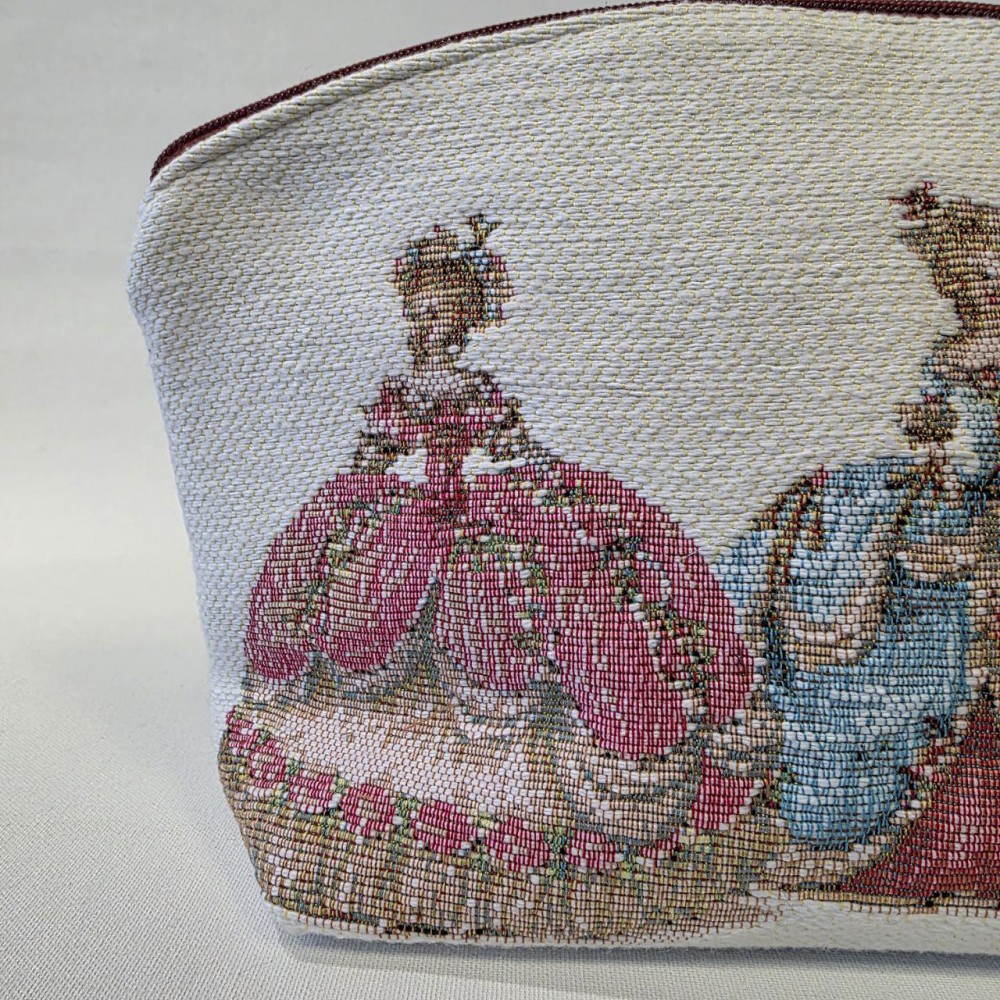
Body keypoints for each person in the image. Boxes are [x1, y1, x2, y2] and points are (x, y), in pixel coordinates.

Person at [238, 215, 766, 852]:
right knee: (357, 552)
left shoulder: (475, 388)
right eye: (420, 311)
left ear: (464, 321)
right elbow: (371, 458)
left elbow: (513, 447)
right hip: (416, 506)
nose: (429, 324)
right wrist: (375, 479)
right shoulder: (399, 392)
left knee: (563, 548)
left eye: (443, 313)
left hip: (473, 499)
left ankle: (634, 722)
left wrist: (526, 467)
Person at [718, 183, 1000, 901]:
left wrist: (972, 519)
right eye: (958, 273)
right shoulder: (950, 351)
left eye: (981, 268)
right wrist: (931, 455)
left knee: (894, 565)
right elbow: (946, 441)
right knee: (823, 513)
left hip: (975, 515)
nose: (970, 285)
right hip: (936, 490)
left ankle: (852, 796)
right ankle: (748, 669)